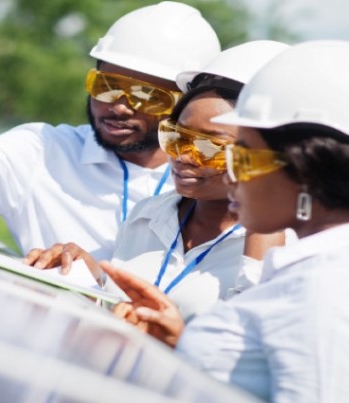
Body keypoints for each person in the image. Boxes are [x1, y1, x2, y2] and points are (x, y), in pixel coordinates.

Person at [101, 40, 349, 403]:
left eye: (243, 158)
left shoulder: (336, 290)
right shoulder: (330, 270)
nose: (231, 175)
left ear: (307, 170)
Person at [0, 2, 220, 260]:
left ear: (184, 104)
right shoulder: (43, 152)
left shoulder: (209, 183)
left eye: (147, 96)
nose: (120, 106)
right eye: (107, 85)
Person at [25, 41, 289, 321]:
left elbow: (250, 335)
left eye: (210, 147)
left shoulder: (286, 248)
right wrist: (90, 282)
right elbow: (121, 315)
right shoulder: (148, 215)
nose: (183, 156)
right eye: (178, 137)